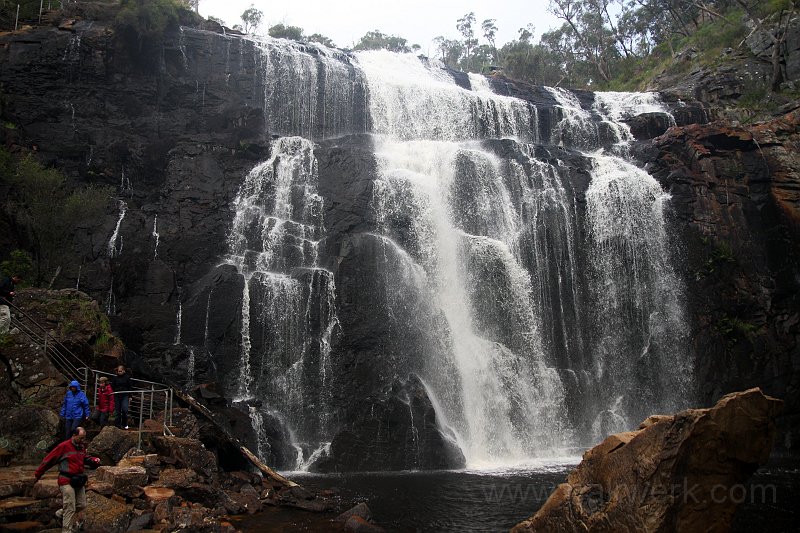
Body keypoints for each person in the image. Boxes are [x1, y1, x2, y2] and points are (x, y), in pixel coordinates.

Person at [34, 427, 98, 533]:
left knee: (81, 504)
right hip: (66, 480)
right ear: (74, 435)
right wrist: (37, 475)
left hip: (78, 480)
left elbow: (85, 458)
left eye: (84, 438)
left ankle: (59, 514)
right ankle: (66, 530)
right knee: (70, 507)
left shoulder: (81, 447)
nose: (83, 441)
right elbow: (48, 460)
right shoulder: (63, 446)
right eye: (81, 438)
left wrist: (93, 460)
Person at [110, 365, 133, 429]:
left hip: (125, 395)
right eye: (118, 371)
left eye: (121, 371)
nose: (119, 372)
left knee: (125, 410)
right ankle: (117, 425)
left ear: (124, 371)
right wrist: (113, 393)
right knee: (118, 411)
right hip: (117, 395)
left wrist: (130, 396)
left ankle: (124, 424)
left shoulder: (127, 378)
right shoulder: (115, 378)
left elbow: (130, 387)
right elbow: (112, 386)